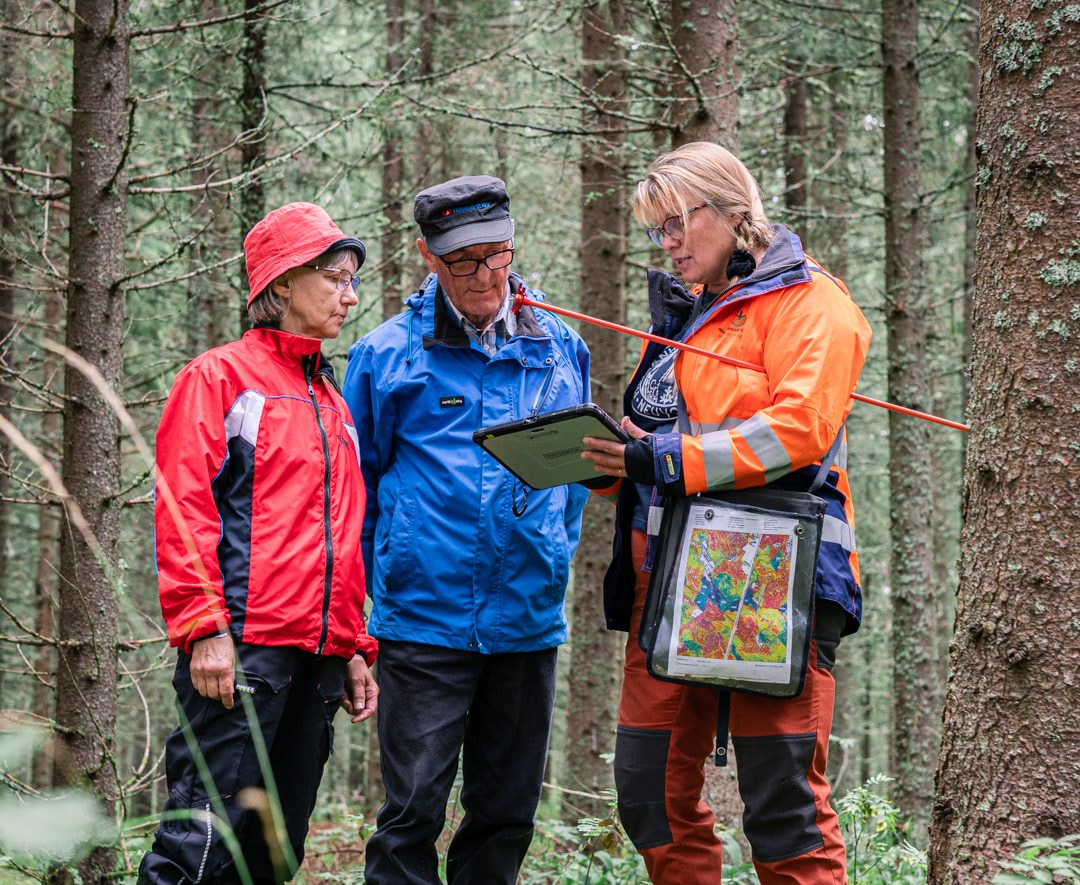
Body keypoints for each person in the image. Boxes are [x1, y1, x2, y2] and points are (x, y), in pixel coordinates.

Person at [581, 142, 872, 883]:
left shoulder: (814, 303)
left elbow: (797, 428)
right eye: (656, 232)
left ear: (729, 210)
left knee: (782, 805)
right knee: (647, 792)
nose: (667, 244)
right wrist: (614, 465)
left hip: (775, 577)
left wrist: (667, 457)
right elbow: (663, 443)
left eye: (675, 224)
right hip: (667, 582)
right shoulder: (686, 320)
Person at [342, 175, 593, 885]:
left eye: (499, 256)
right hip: (423, 623)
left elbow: (573, 480)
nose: (486, 276)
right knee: (412, 810)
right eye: (465, 261)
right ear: (429, 256)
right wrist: (373, 604)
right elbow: (355, 494)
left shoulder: (560, 348)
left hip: (526, 621)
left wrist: (548, 555)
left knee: (506, 814)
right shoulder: (387, 356)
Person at [140, 202, 379, 884]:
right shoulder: (218, 378)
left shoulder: (333, 402)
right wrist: (205, 626)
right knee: (200, 845)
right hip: (242, 654)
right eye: (335, 276)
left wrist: (357, 647)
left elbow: (346, 535)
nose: (349, 293)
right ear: (281, 284)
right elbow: (182, 509)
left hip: (319, 660)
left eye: (352, 278)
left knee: (275, 852)